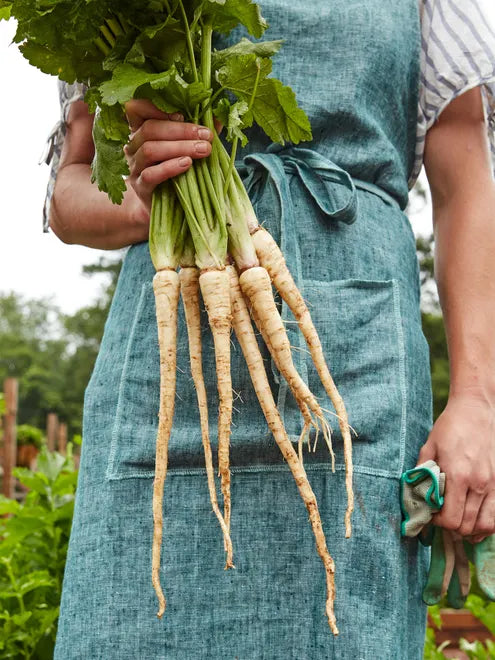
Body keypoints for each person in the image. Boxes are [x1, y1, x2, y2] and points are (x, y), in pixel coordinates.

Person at [45, 1, 495, 658]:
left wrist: (476, 400)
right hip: (167, 359)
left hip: (353, 370)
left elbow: (466, 187)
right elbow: (70, 191)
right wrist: (141, 198)